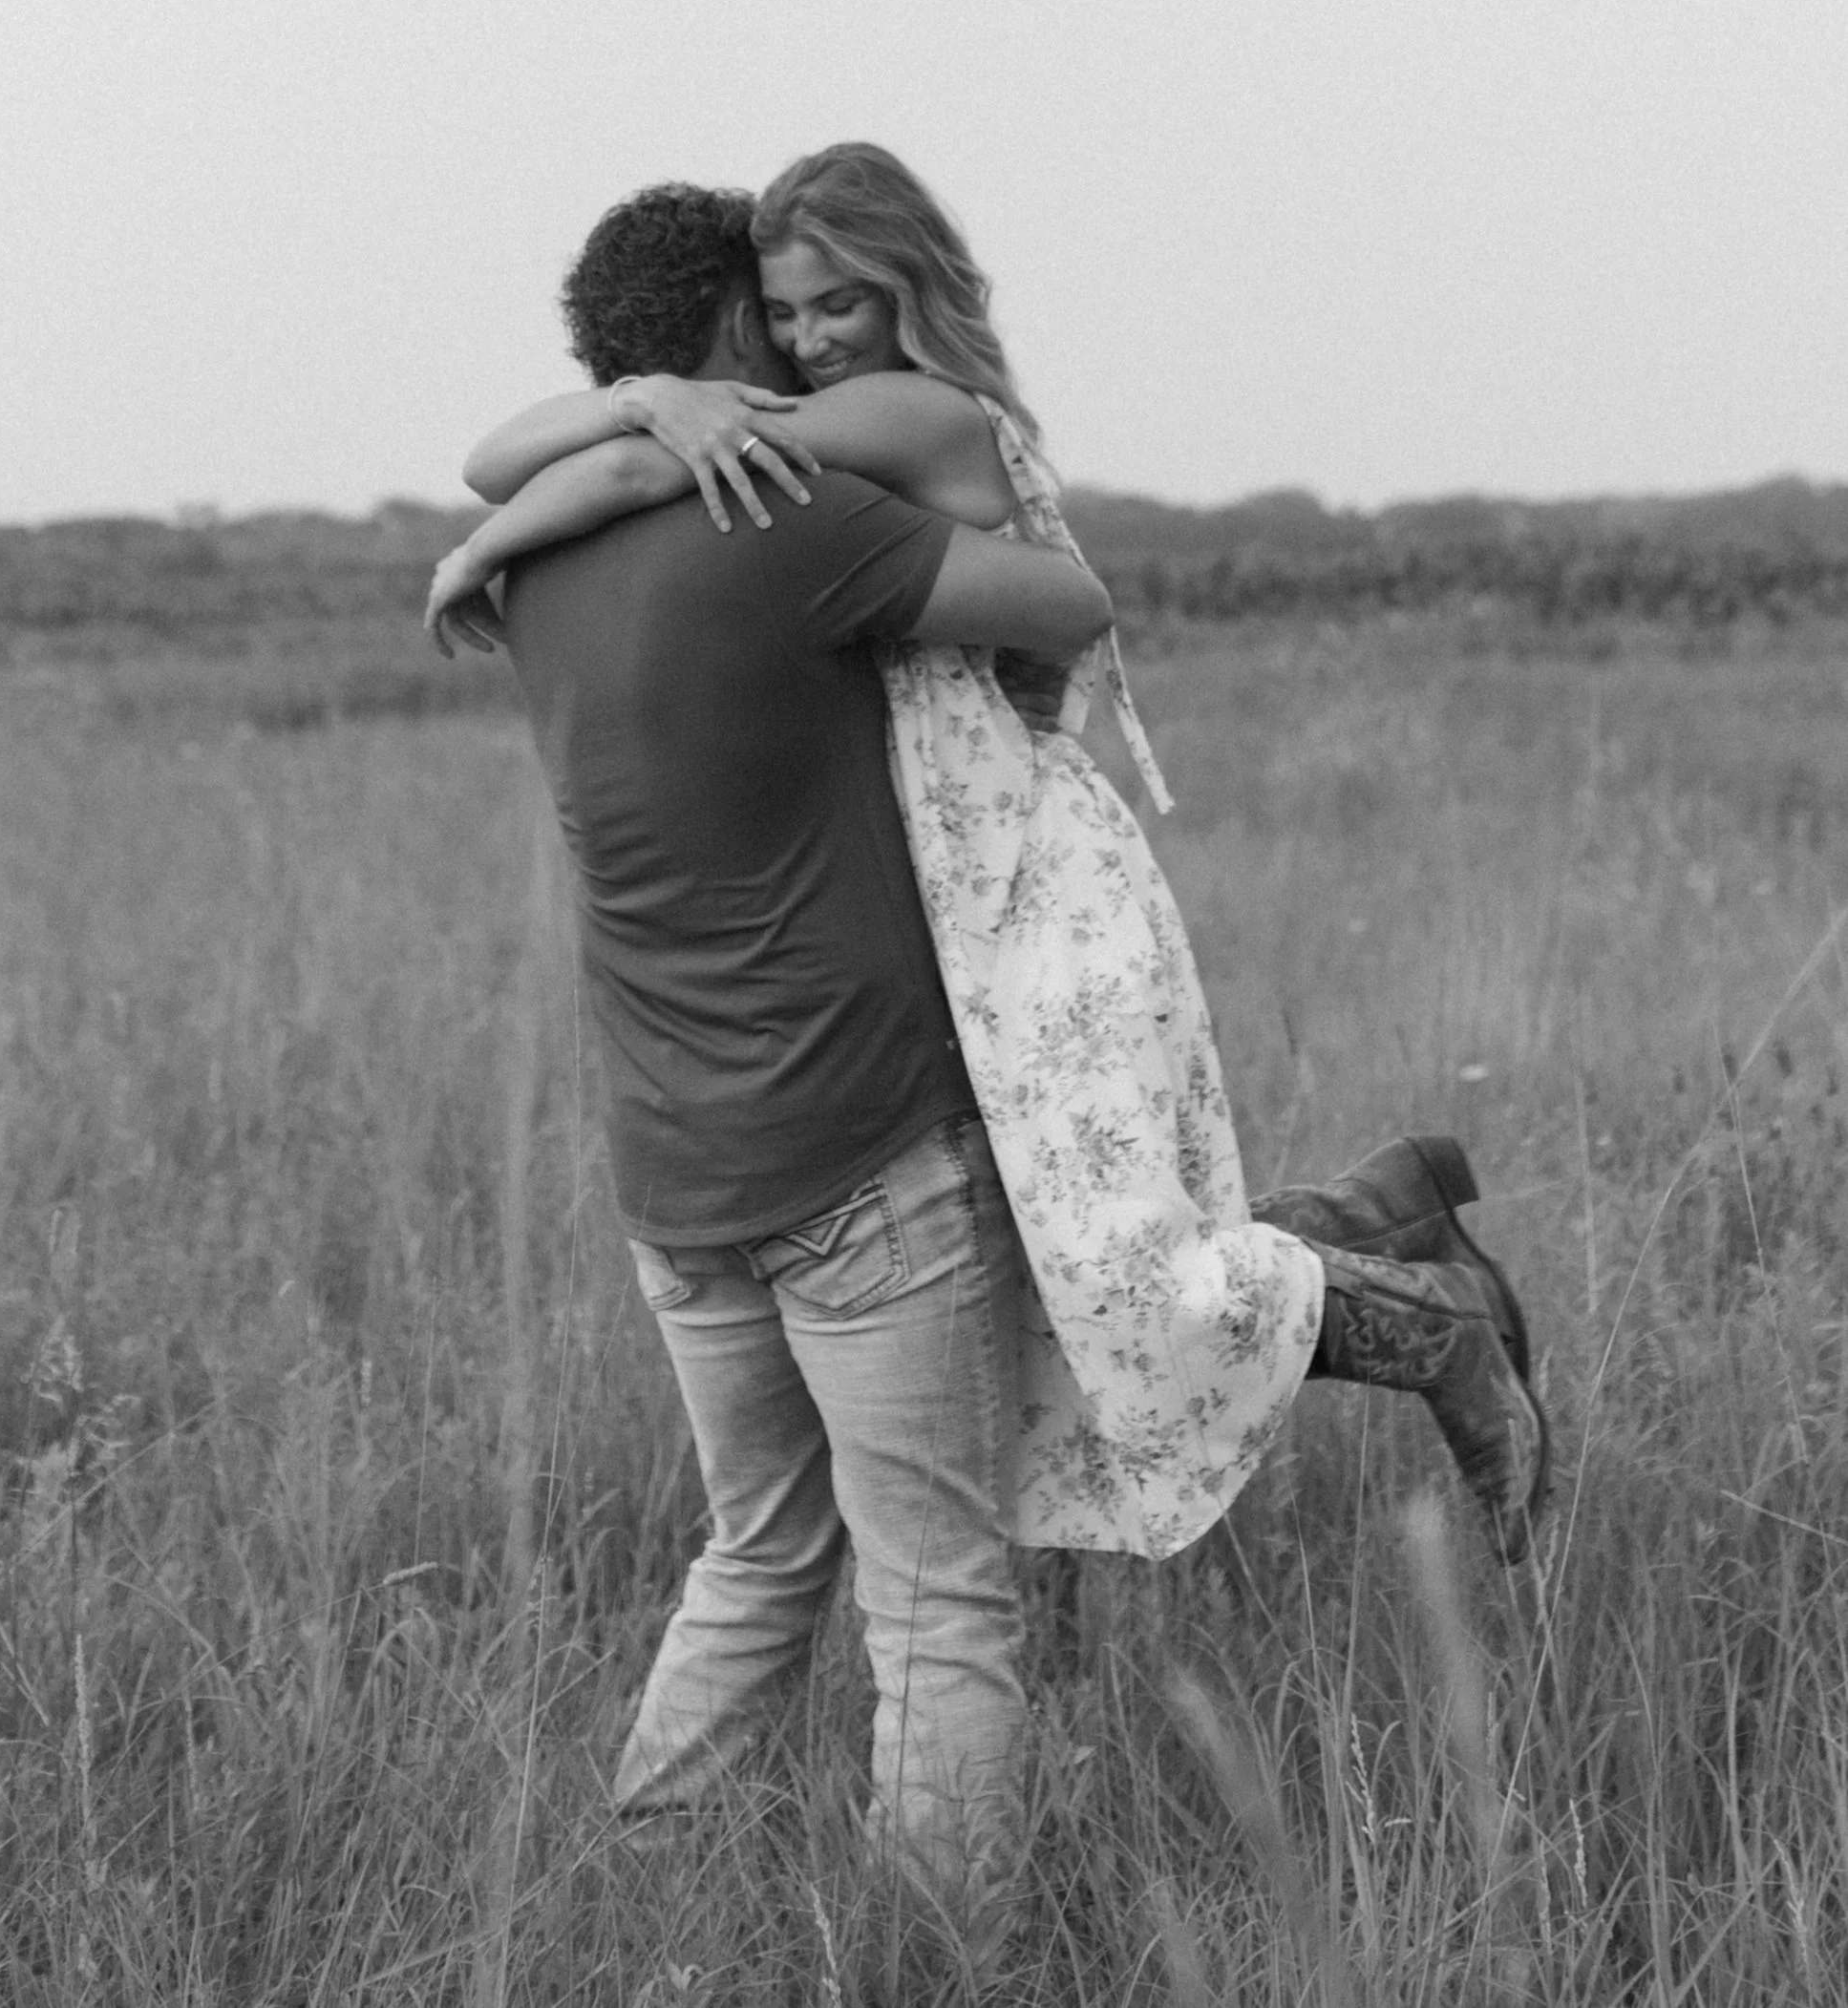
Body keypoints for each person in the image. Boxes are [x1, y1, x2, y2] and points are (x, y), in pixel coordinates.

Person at [429, 178, 1545, 1955]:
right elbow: (1064, 598)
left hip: (672, 1171)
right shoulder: (794, 518)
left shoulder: (531, 563)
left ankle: (638, 1911)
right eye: (779, 318)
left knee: (761, 1546)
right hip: (859, 1151)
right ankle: (933, 1962)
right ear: (733, 333)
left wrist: (577, 467)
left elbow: (528, 471)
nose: (806, 345)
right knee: (942, 1600)